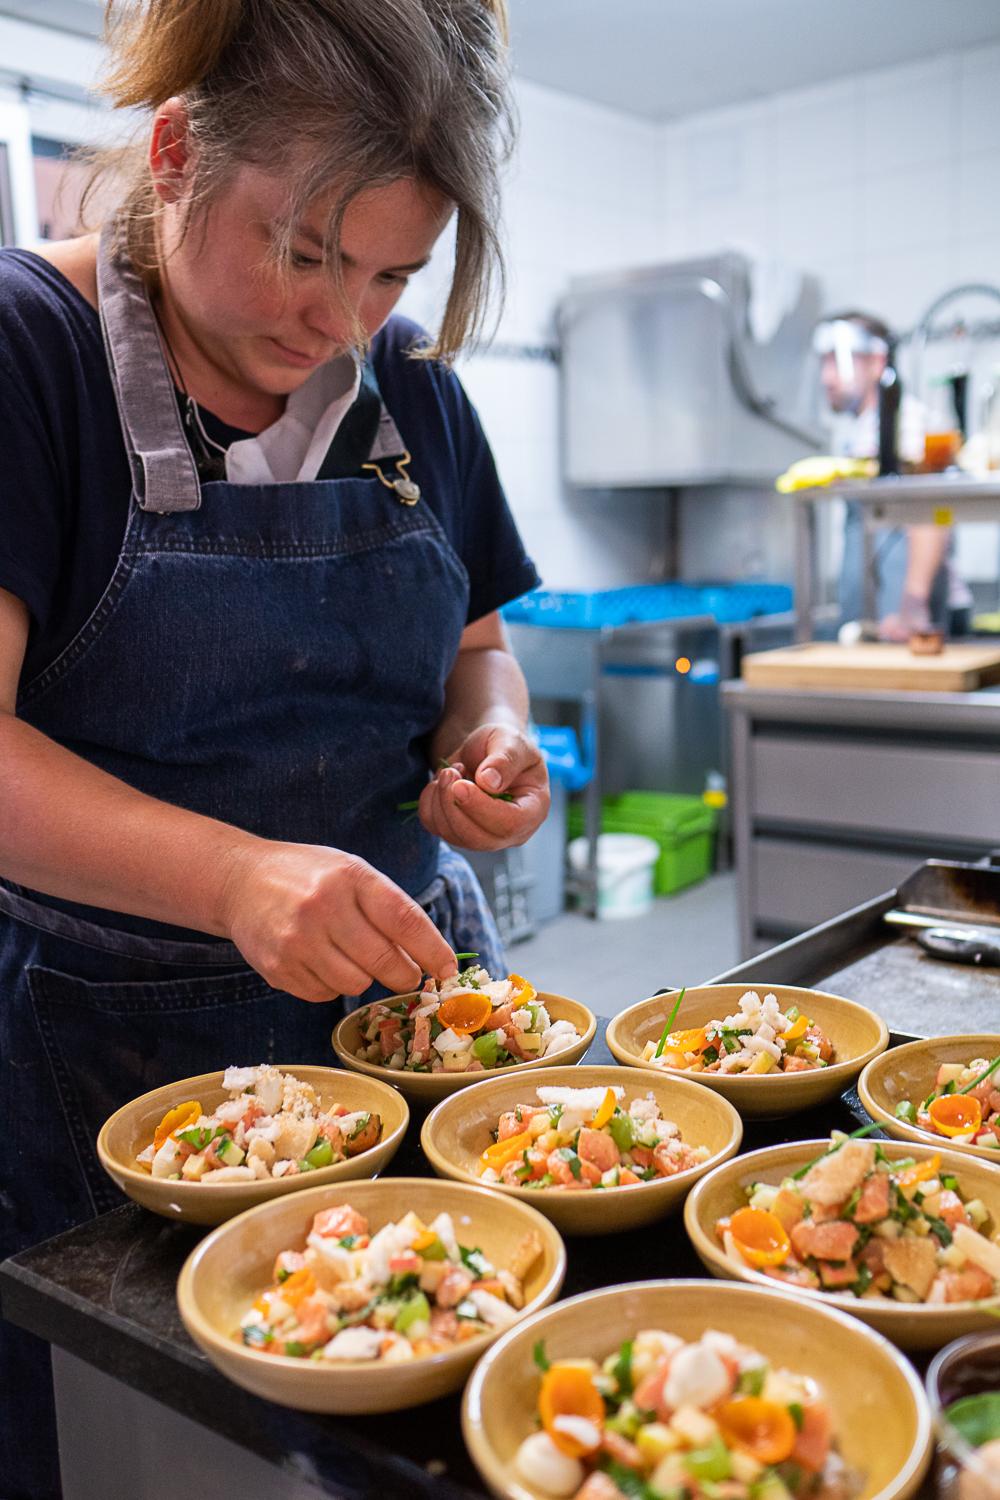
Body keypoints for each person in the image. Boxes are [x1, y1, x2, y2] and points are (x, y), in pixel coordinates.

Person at [0, 2, 549, 1493]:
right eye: (304, 252)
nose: (340, 320)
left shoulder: (411, 393)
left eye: (392, 273)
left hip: (422, 1018)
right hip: (118, 1066)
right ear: (175, 154)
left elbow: (478, 655)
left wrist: (491, 748)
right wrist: (242, 879)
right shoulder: (27, 354)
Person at [813, 309, 968, 640]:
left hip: (908, 622)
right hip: (876, 622)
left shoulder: (906, 421)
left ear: (876, 363)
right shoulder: (859, 432)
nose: (827, 377)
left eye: (838, 361)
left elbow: (931, 510)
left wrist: (913, 601)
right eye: (823, 362)